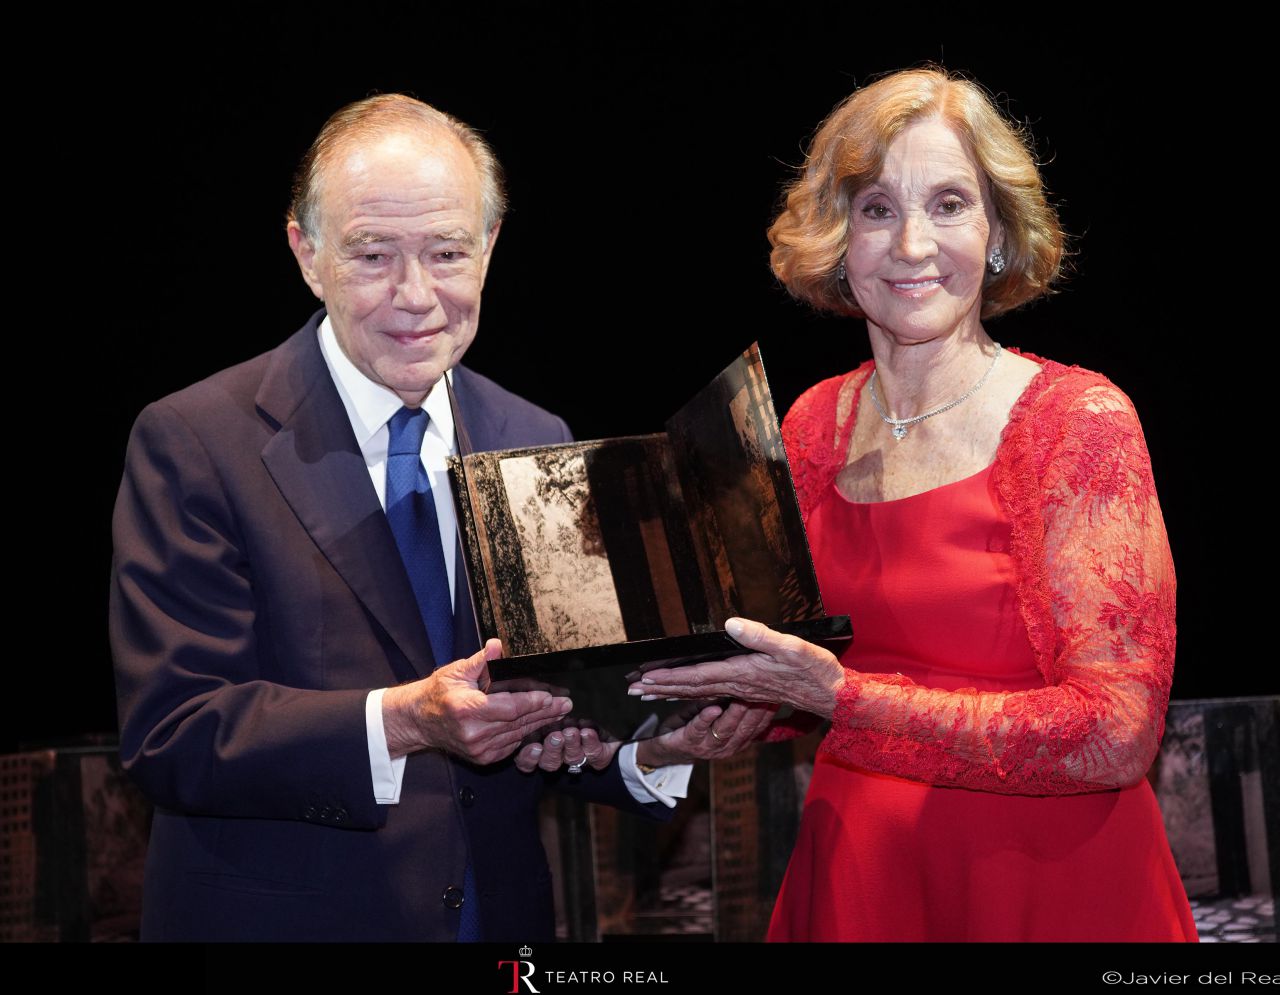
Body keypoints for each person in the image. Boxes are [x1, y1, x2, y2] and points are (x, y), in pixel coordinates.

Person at [110, 93, 765, 942]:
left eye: (447, 253)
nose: (416, 296)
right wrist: (406, 717)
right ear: (306, 254)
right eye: (373, 255)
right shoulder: (196, 440)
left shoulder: (534, 435)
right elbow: (175, 732)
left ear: (489, 247)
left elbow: (545, 718)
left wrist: (655, 747)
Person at [628, 68, 1197, 941]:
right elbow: (797, 673)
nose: (912, 243)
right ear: (838, 237)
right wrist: (696, 717)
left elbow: (1116, 733)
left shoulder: (1079, 421)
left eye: (949, 204)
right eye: (877, 208)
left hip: (1051, 892)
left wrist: (843, 699)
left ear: (997, 231)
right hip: (858, 881)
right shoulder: (812, 423)